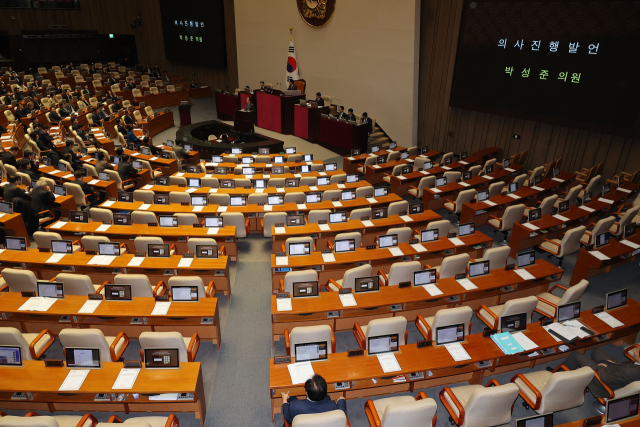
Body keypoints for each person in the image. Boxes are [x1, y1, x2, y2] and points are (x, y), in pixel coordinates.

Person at [559, 347, 640, 399]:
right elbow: (626, 369)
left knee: (575, 355)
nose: (635, 351)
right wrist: (615, 364)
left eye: (637, 352)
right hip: (617, 373)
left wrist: (601, 366)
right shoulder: (635, 368)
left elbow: (604, 377)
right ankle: (587, 370)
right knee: (596, 351)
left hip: (602, 382)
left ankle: (559, 376)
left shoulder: (631, 372)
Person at [281, 375, 346, 426]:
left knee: (291, 398)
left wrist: (284, 400)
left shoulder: (294, 406)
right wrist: (341, 399)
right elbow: (342, 414)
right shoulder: (333, 406)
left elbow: (289, 419)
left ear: (306, 392)